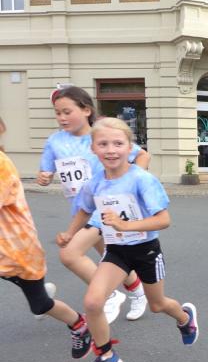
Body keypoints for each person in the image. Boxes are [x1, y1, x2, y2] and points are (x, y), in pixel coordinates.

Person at [56, 118, 198, 362]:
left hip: (146, 251)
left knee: (157, 305)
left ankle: (184, 318)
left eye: (118, 144)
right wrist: (70, 232)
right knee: (93, 302)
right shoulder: (95, 183)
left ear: (129, 147)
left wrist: (125, 225)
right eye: (103, 144)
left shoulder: (141, 179)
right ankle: (106, 357)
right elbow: (84, 209)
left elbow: (164, 220)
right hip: (117, 251)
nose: (111, 150)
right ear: (93, 149)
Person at [38, 85, 150, 323]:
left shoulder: (102, 134)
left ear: (86, 110)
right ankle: (138, 292)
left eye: (67, 112)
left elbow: (142, 155)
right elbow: (45, 172)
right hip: (82, 210)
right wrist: (44, 177)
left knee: (70, 254)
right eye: (57, 113)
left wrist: (129, 181)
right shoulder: (55, 141)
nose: (62, 118)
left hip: (107, 207)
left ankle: (109, 295)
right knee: (113, 257)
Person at [0, 116, 92, 360]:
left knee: (39, 305)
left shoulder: (1, 164)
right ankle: (41, 289)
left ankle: (79, 324)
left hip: (17, 249)